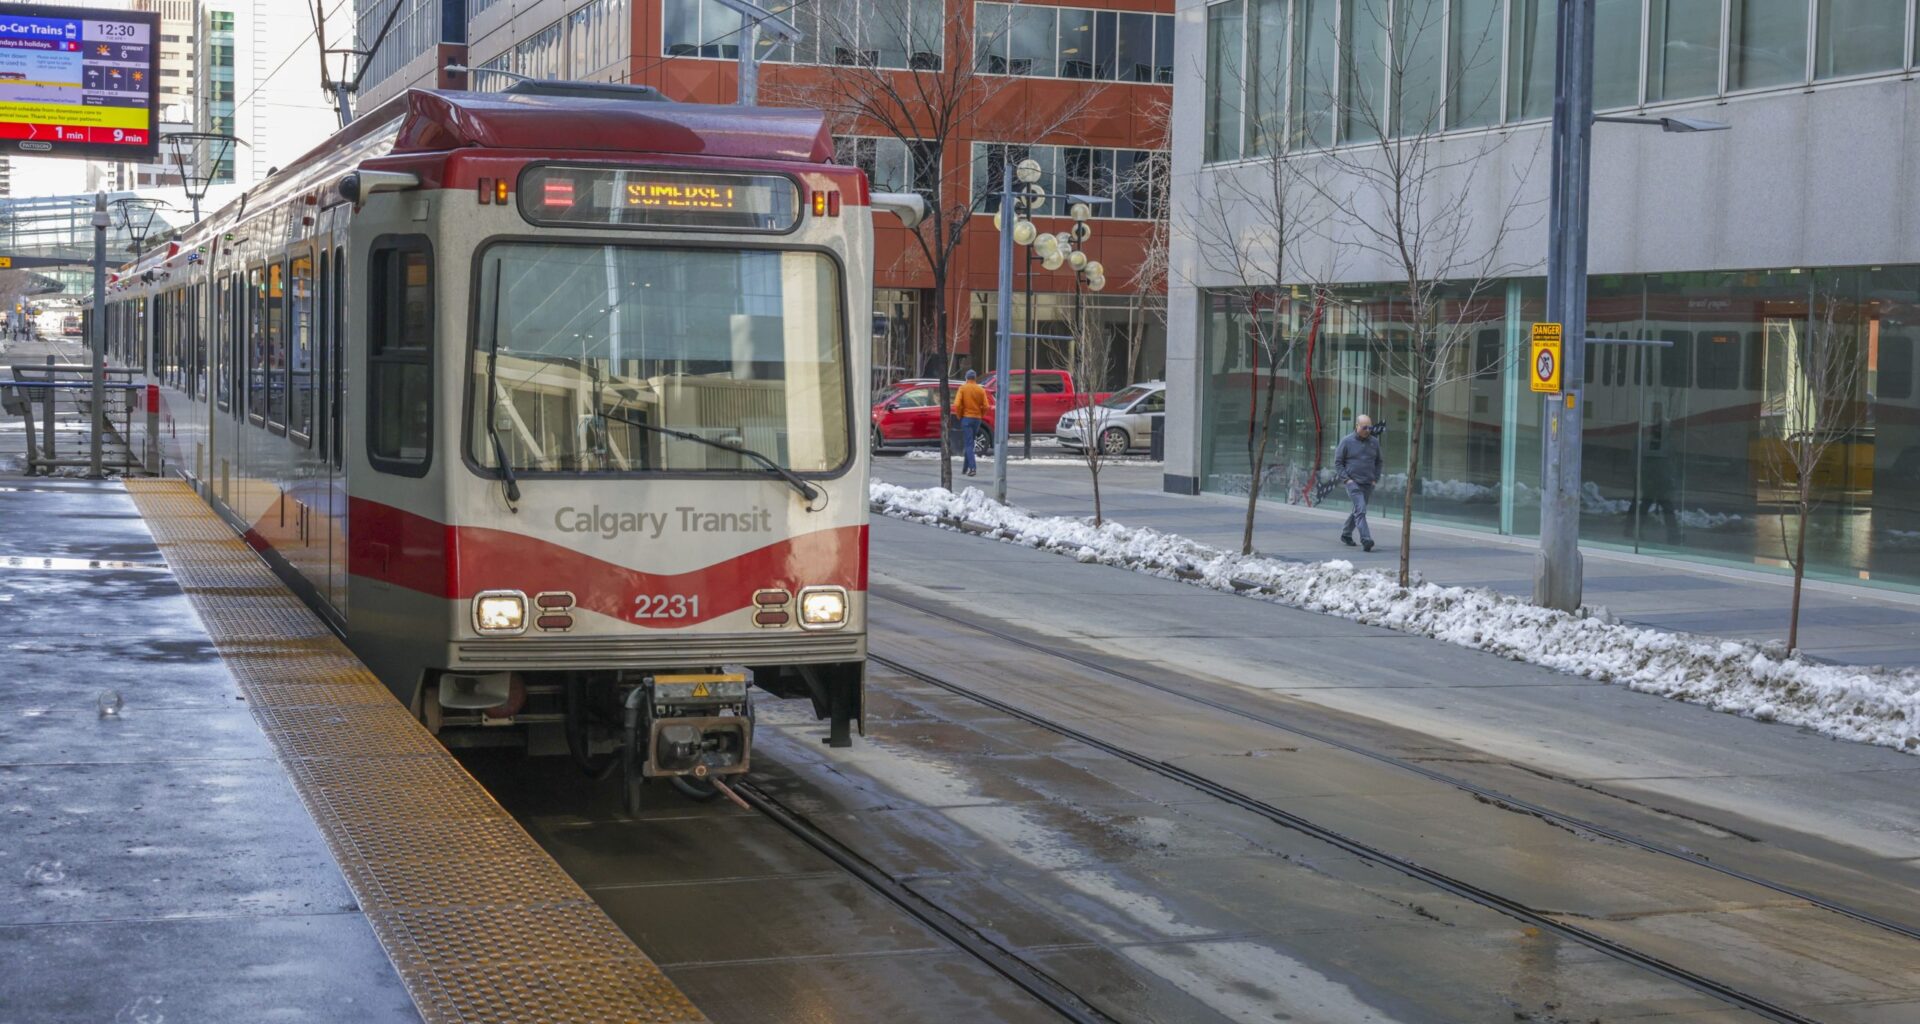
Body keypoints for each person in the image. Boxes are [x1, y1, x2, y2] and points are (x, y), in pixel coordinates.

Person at [1334, 415, 1382, 552]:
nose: (1368, 430)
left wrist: (1375, 479)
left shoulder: (1374, 442)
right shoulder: (1347, 441)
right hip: (1353, 483)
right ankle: (1366, 539)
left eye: (1370, 428)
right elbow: (1338, 462)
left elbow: (1379, 461)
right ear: (1357, 426)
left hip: (1368, 483)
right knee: (1361, 510)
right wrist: (1347, 479)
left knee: (1357, 510)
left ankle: (1346, 533)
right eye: (1364, 427)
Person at [952, 369, 989, 477]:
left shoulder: (963, 389)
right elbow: (986, 406)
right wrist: (981, 414)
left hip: (966, 418)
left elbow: (957, 405)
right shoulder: (980, 390)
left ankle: (972, 468)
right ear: (975, 378)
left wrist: (959, 415)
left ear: (966, 378)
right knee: (970, 443)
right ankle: (965, 468)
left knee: (968, 444)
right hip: (977, 419)